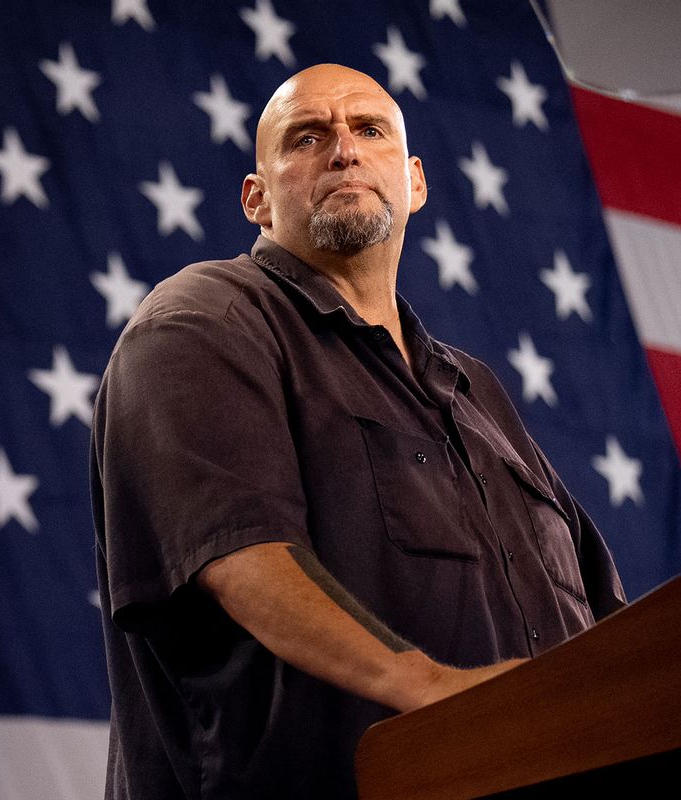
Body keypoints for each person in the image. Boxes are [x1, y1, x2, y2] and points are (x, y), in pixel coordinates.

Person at [90, 63, 626, 800]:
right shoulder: (201, 321)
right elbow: (238, 558)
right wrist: (434, 688)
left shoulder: (474, 389)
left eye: (368, 130)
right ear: (257, 199)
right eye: (307, 137)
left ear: (415, 183)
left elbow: (603, 618)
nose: (343, 150)